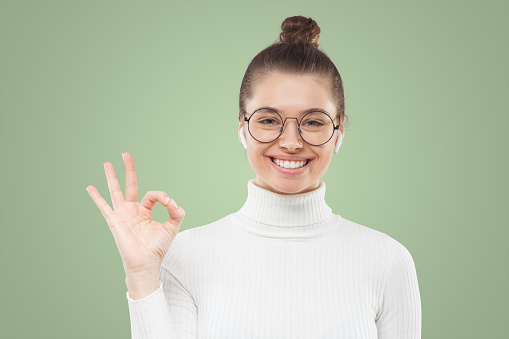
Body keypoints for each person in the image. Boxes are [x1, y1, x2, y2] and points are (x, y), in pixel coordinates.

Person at [86, 15, 421, 339]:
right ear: (242, 128)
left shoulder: (387, 261)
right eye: (269, 120)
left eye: (314, 121)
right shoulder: (186, 256)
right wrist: (142, 275)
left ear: (339, 132)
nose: (291, 142)